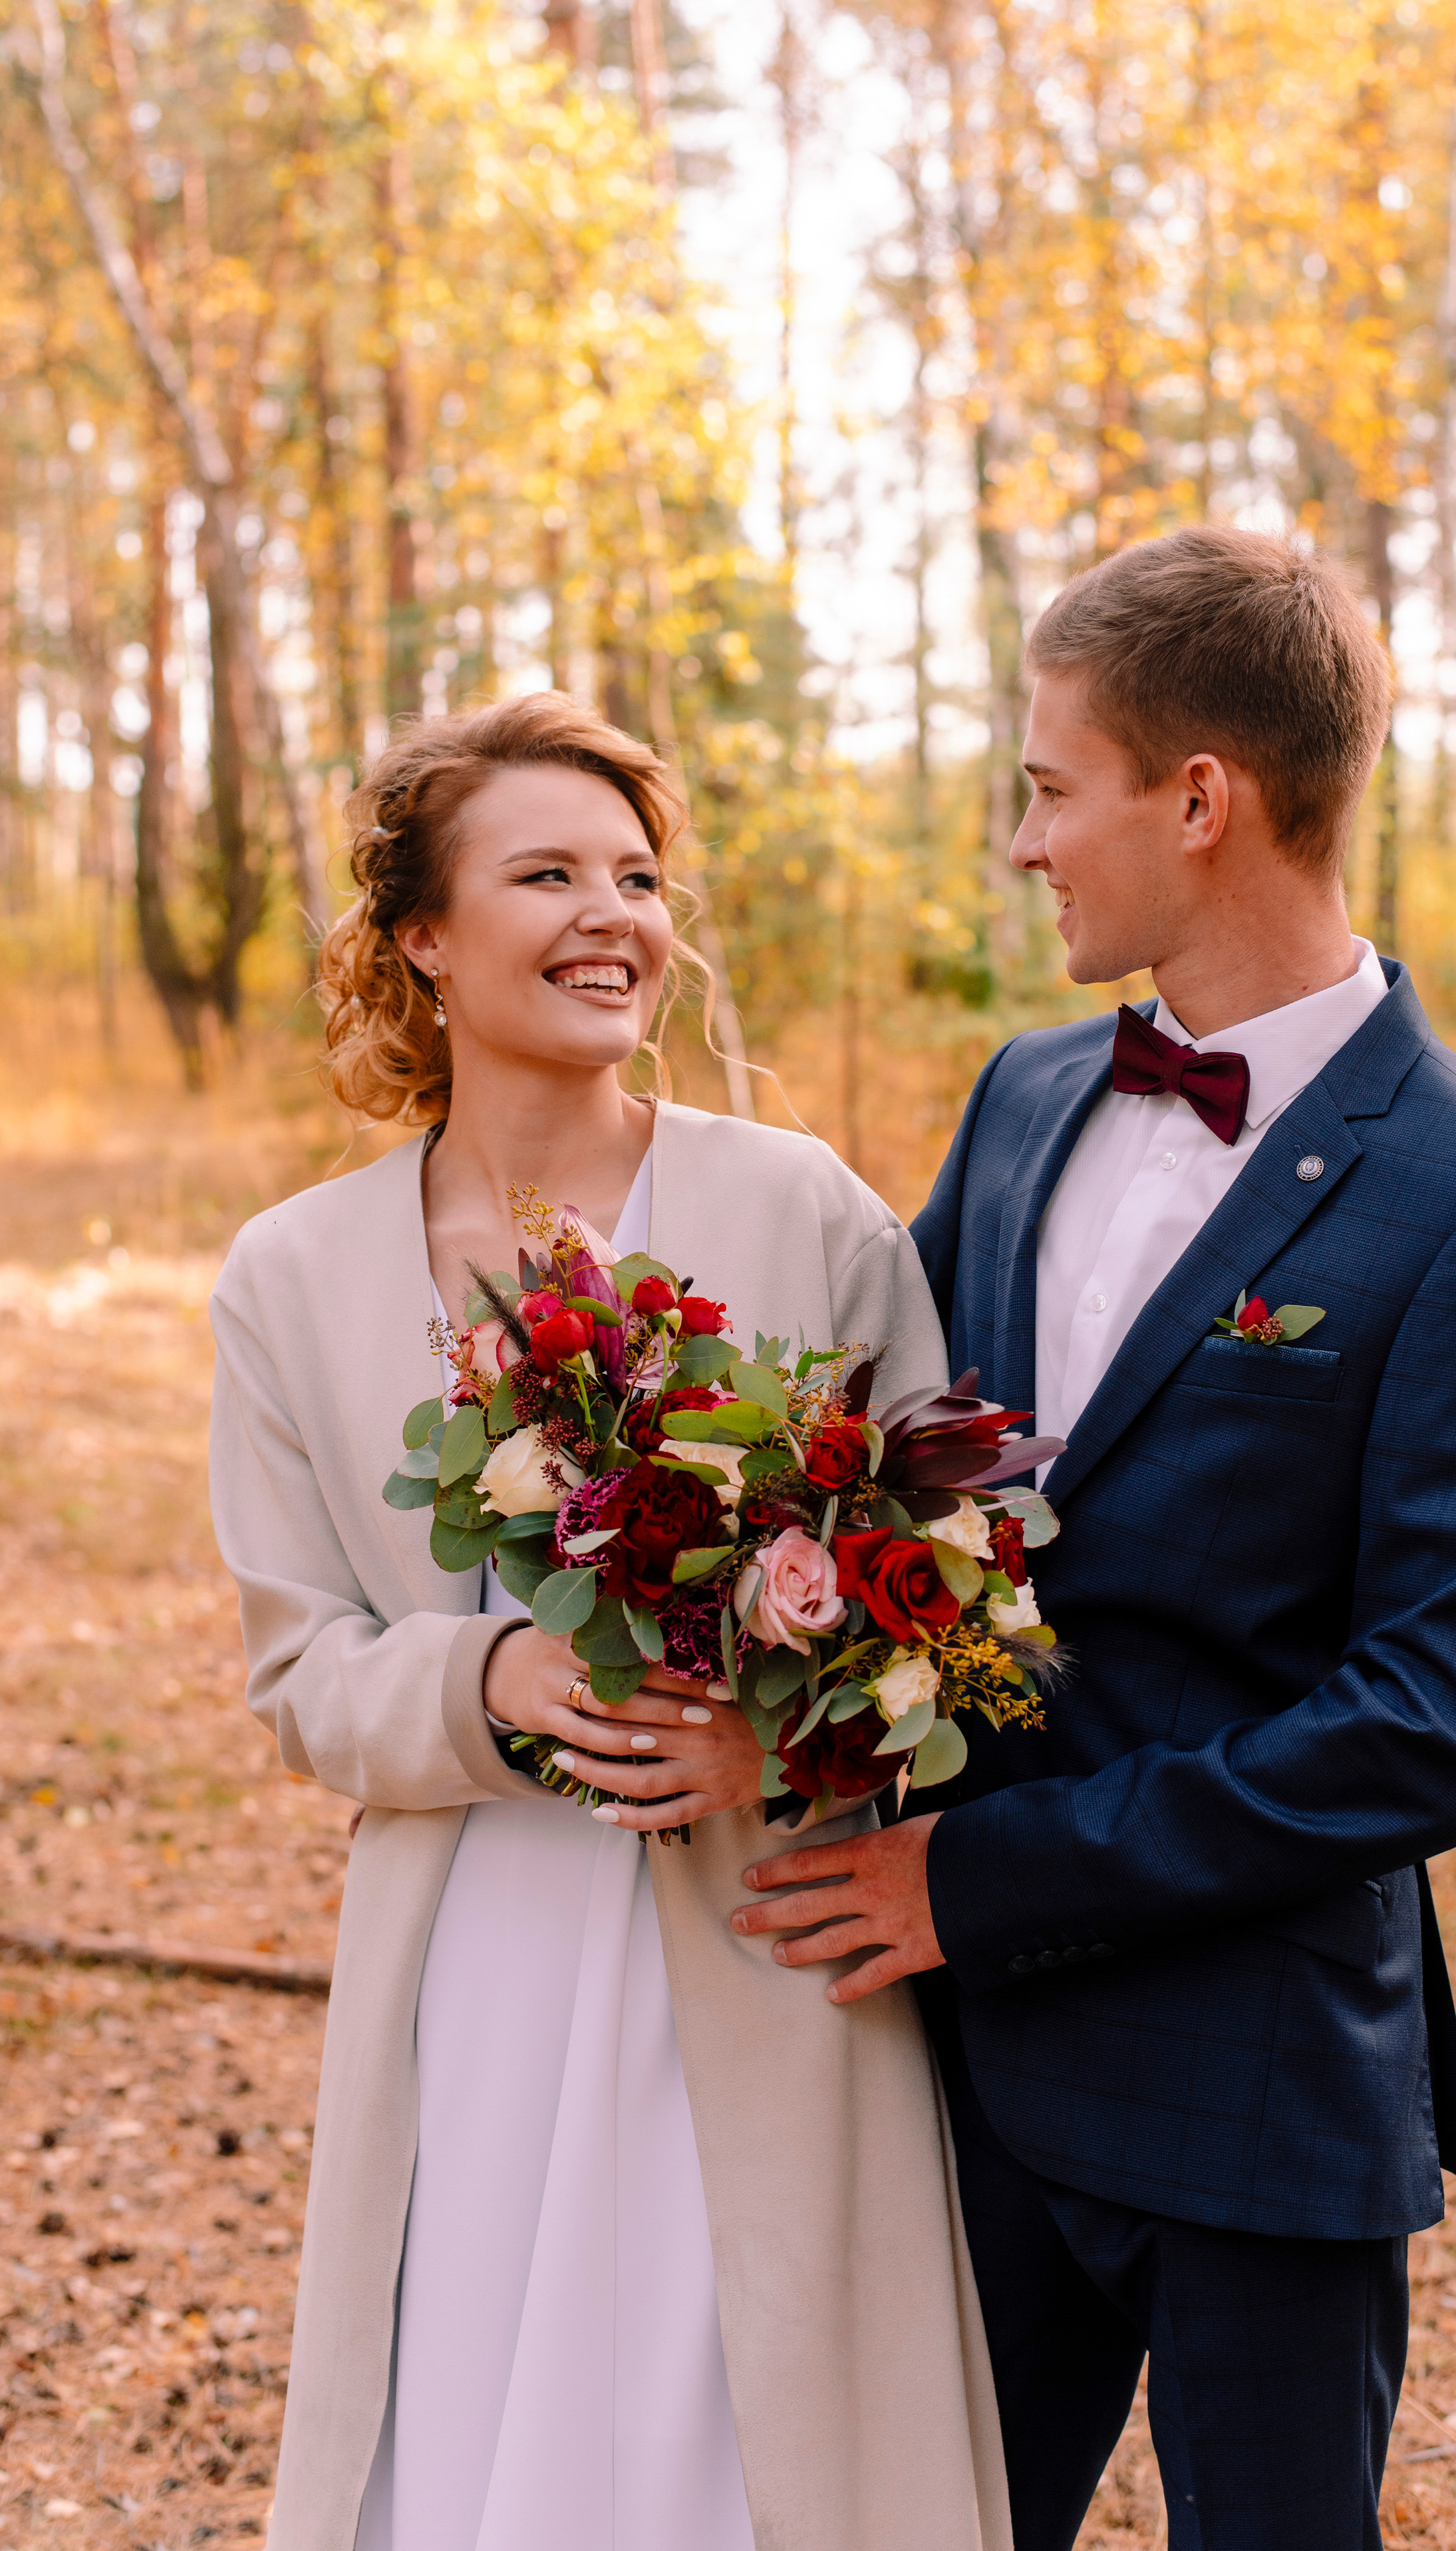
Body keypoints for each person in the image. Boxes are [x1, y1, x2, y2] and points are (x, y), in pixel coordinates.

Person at [729, 527, 1456, 2550]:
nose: (1021, 842)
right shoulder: (1031, 1094)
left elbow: (1448, 1717)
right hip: (949, 2068)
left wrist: (991, 1874)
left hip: (1254, 2082)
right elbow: (890, 1489)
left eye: (1050, 786)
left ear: (1198, 800)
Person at [208, 693, 1010, 2551]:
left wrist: (780, 1725)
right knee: (492, 2438)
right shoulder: (291, 1276)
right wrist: (493, 1676)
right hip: (472, 1955)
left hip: (763, 1931)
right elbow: (298, 1669)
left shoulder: (802, 1209)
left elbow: (945, 1588)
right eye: (547, 873)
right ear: (419, 933)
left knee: (757, 2440)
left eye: (639, 877)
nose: (612, 915)